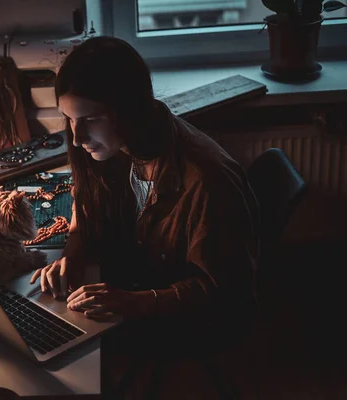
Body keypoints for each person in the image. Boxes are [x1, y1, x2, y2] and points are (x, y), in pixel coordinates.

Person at [29, 36, 260, 397]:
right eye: (70, 119)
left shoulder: (208, 181)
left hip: (191, 315)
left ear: (130, 109)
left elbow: (225, 293)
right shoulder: (111, 144)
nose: (76, 137)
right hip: (139, 272)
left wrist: (134, 301)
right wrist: (73, 252)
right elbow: (85, 202)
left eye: (89, 119)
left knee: (63, 370)